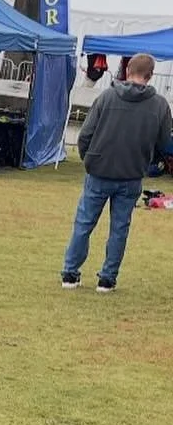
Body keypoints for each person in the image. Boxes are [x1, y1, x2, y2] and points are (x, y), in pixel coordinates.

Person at [62, 53, 173, 291]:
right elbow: (165, 143)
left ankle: (70, 273)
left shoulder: (107, 97)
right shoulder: (160, 105)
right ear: (150, 75)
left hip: (99, 170)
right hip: (131, 174)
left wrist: (89, 160)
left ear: (126, 70)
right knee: (119, 228)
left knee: (83, 224)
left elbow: (85, 135)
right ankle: (107, 278)